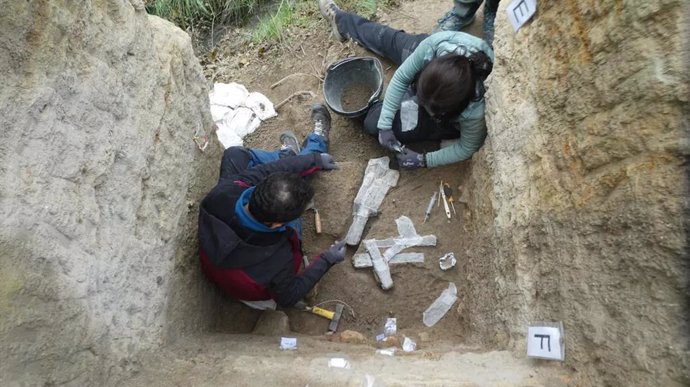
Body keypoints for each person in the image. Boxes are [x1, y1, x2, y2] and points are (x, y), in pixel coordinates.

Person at [198, 104, 345, 310]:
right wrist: (327, 259)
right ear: (277, 224)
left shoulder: (225, 192)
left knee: (235, 155)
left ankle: (289, 156)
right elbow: (288, 298)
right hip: (254, 293)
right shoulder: (279, 257)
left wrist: (314, 160)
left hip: (220, 255)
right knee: (293, 185)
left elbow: (269, 170)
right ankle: (314, 144)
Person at [319, 0, 495, 170]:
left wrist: (424, 159)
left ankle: (421, 115)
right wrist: (386, 123)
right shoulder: (437, 45)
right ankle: (342, 20)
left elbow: (467, 147)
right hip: (429, 58)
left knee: (372, 122)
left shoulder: (474, 111)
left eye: (427, 107)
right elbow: (403, 76)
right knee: (388, 39)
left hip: (447, 118)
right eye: (420, 95)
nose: (418, 101)